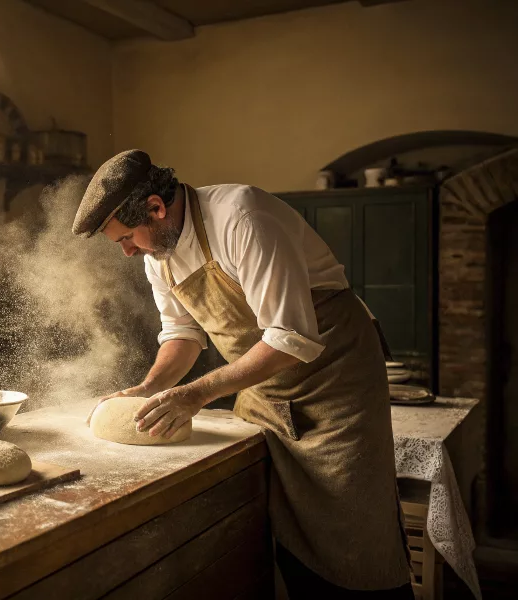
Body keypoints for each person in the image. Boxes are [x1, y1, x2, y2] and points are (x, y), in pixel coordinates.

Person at [73, 149, 413, 598]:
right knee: (274, 524)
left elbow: (291, 335)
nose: (128, 251)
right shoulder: (159, 252)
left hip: (333, 382)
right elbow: (183, 332)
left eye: (127, 238)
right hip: (261, 385)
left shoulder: (242, 218)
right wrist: (148, 388)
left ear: (156, 207)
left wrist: (195, 394)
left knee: (351, 527)